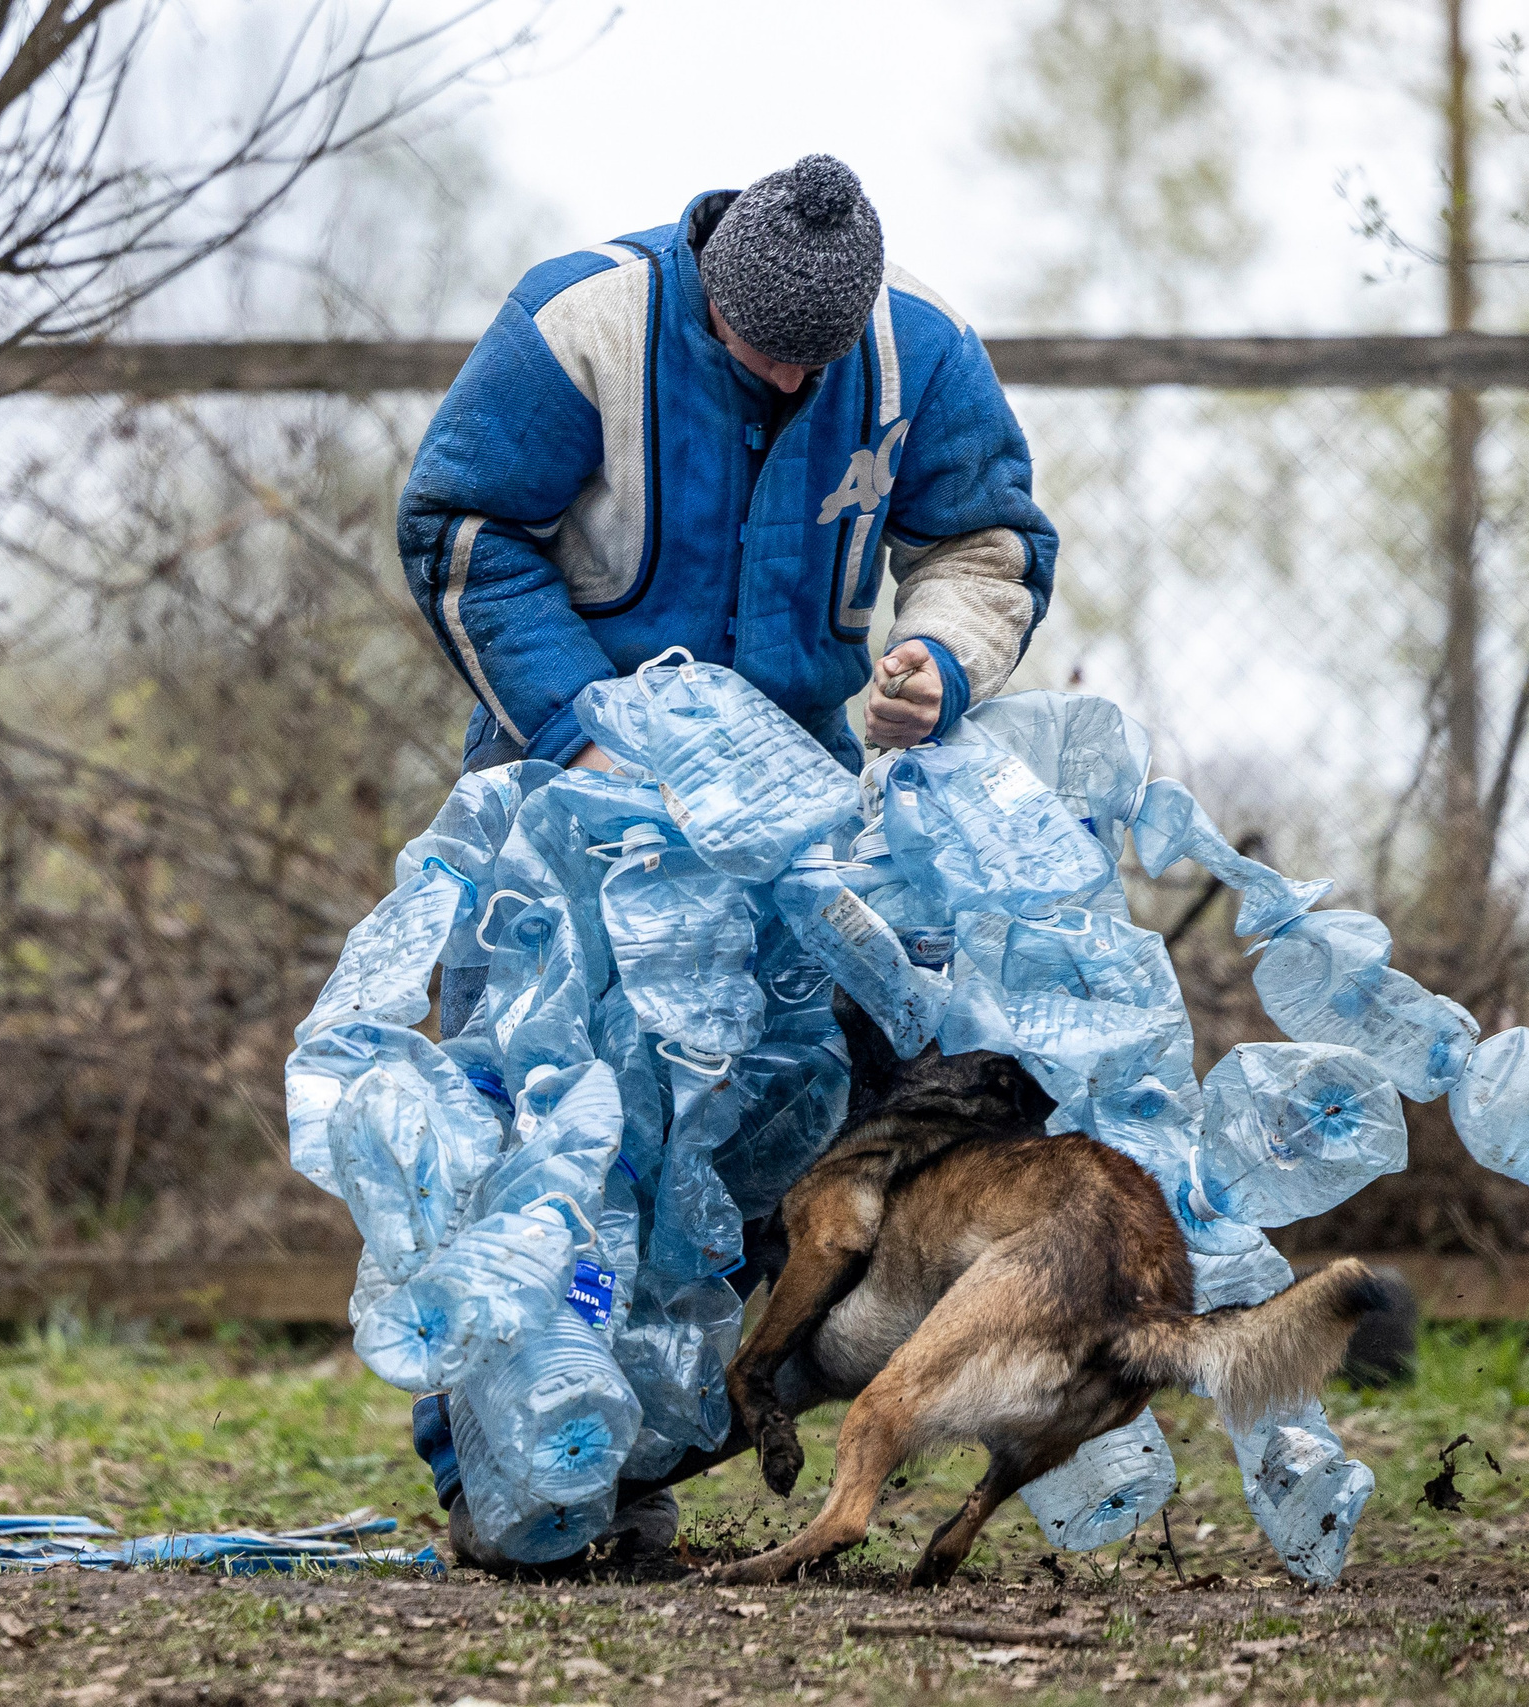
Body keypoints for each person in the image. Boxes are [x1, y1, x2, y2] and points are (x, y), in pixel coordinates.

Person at [392, 154, 1061, 1570]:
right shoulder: (581, 325)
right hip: (562, 792)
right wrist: (587, 730)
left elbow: (985, 546)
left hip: (787, 812)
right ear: (710, 289)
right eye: (761, 357)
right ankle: (510, 1473)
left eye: (815, 365)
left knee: (764, 1138)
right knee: (548, 1134)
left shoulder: (915, 356)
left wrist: (936, 661)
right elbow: (458, 532)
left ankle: (652, 1449)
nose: (789, 384)